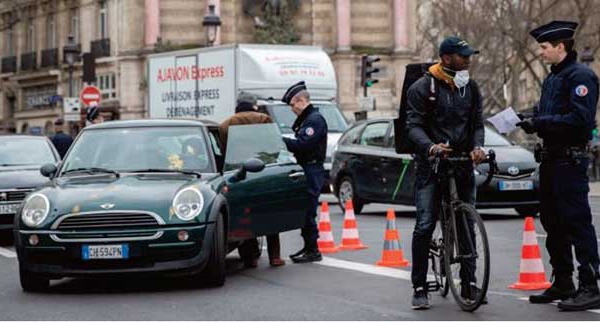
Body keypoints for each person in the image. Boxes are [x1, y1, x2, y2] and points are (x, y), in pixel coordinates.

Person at [517, 20, 600, 311]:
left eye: (544, 47)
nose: (541, 52)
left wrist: (540, 122)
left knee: (577, 223)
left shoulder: (581, 77)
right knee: (553, 223)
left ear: (560, 47)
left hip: (570, 160)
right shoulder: (553, 78)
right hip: (551, 160)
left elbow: (580, 120)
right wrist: (527, 118)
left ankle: (591, 285)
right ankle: (564, 281)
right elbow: (547, 113)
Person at [405, 36, 486, 310]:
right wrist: (430, 147)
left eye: (469, 55)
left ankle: (469, 283)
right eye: (463, 56)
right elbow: (412, 125)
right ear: (447, 57)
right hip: (432, 165)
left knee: (466, 223)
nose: (468, 60)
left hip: (462, 163)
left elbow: (477, 123)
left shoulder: (470, 87)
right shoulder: (422, 87)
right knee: (425, 224)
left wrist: (477, 146)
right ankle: (419, 286)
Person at [219, 93, 285, 268]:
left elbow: (224, 152)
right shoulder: (265, 119)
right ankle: (275, 257)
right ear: (254, 106)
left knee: (245, 216)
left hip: (241, 174)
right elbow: (275, 146)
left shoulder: (226, 124)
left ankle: (250, 258)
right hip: (265, 172)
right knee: (269, 214)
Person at [281, 81, 327, 263]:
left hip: (312, 168)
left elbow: (304, 145)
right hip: (307, 167)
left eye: (292, 105)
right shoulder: (308, 119)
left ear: (300, 101)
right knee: (305, 209)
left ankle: (313, 249)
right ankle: (308, 247)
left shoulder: (314, 120)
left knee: (309, 210)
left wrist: (280, 141)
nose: (292, 109)